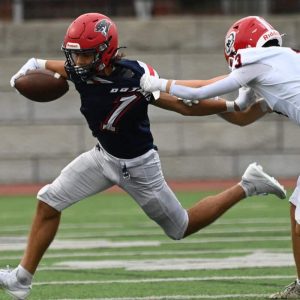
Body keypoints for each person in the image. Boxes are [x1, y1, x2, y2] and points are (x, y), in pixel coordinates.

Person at [0, 13, 286, 300]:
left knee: (180, 227)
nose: (76, 63)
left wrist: (231, 105)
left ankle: (248, 184)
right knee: (48, 200)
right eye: (74, 55)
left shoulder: (135, 76)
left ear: (105, 53)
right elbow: (56, 66)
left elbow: (184, 105)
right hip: (102, 157)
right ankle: (21, 280)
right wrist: (33, 65)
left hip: (138, 167)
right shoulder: (78, 69)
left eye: (84, 56)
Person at [140, 15, 300, 299]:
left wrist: (156, 83)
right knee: (297, 211)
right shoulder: (284, 62)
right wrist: (205, 104)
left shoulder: (257, 67)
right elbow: (240, 109)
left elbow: (199, 90)